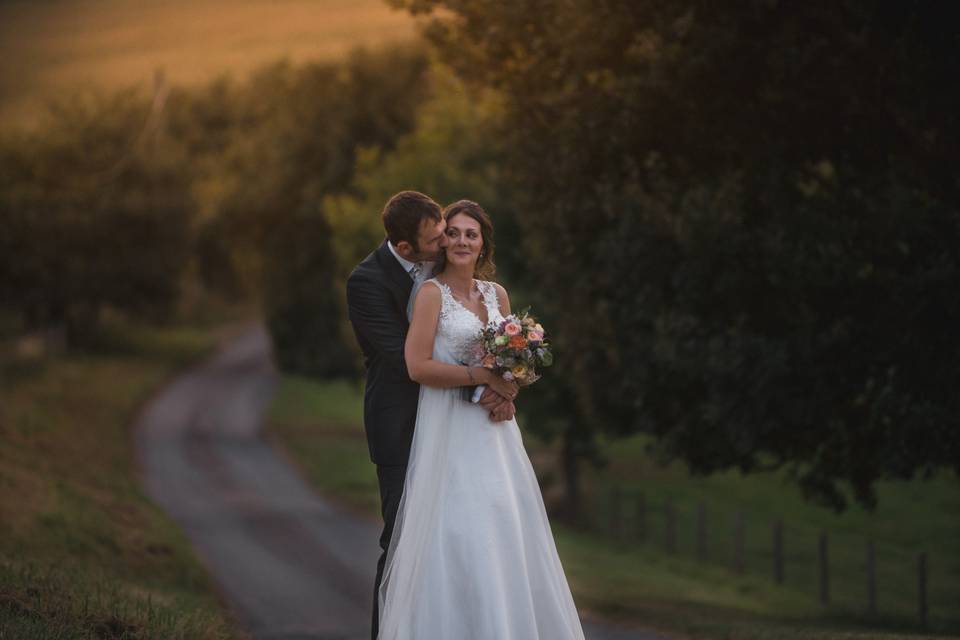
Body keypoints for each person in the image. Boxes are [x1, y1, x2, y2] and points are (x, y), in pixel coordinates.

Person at [376, 200, 586, 639]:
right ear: (441, 240)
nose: (461, 241)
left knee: (505, 529)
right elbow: (417, 367)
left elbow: (514, 364)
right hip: (450, 433)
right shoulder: (432, 295)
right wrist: (482, 376)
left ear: (483, 243)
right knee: (460, 533)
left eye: (471, 234)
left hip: (496, 434)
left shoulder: (497, 295)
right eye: (452, 232)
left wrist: (509, 389)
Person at [345, 191, 515, 640]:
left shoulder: (482, 286)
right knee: (405, 543)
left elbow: (506, 356)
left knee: (473, 538)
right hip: (403, 426)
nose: (447, 241)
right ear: (406, 249)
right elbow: (409, 362)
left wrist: (508, 384)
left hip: (469, 426)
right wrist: (485, 376)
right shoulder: (368, 283)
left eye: (452, 231)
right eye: (439, 237)